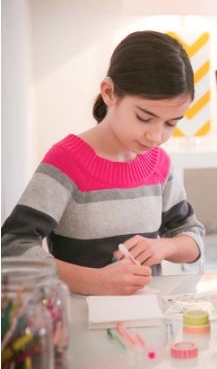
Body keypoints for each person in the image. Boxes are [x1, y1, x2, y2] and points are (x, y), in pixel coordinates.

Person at [1, 31, 205, 295]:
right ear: (109, 93)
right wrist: (90, 280)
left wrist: (166, 247)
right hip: (78, 319)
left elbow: (193, 235)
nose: (156, 136)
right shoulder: (67, 162)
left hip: (145, 319)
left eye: (171, 123)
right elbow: (11, 246)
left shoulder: (160, 165)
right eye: (144, 117)